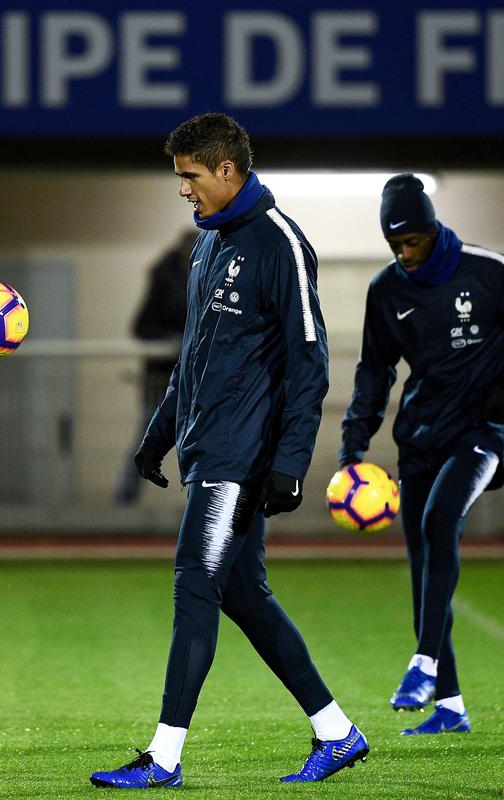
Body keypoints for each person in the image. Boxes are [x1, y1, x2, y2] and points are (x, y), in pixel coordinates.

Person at [90, 112, 369, 788]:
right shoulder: (208, 245)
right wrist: (157, 438)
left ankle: (163, 757)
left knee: (196, 585)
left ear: (226, 169)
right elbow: (193, 362)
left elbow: (310, 360)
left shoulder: (278, 243)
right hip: (207, 452)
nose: (183, 190)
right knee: (244, 595)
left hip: (240, 464)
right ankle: (338, 733)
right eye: (178, 177)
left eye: (190, 177)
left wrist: (290, 463)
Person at [338, 174, 504, 735]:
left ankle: (422, 664)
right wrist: (354, 446)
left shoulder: (488, 269)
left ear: (432, 230)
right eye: (395, 245)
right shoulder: (387, 291)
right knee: (422, 567)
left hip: (481, 431)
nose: (405, 254)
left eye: (413, 242)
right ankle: (450, 706)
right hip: (421, 439)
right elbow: (374, 373)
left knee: (439, 522)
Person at [114, 230, 196, 505]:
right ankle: (123, 503)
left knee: (203, 445)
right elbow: (141, 326)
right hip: (163, 379)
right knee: (148, 439)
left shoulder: (214, 273)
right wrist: (172, 341)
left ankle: (207, 506)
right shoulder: (164, 275)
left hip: (199, 379)